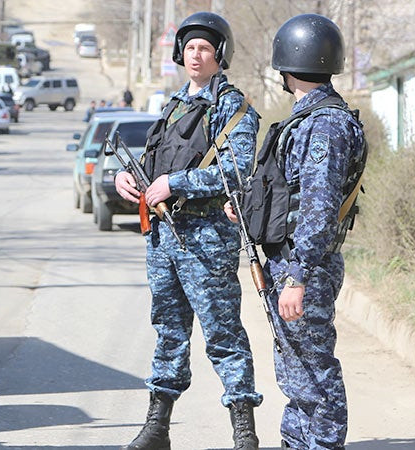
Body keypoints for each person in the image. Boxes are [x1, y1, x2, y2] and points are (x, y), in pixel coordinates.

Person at [114, 12, 262, 449]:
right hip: (163, 239)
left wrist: (174, 184)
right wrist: (131, 182)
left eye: (205, 48)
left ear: (220, 55)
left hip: (207, 241)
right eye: (190, 47)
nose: (196, 55)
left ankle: (244, 431)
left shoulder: (231, 106)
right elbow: (154, 167)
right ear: (180, 53)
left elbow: (234, 173)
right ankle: (158, 427)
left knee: (223, 334)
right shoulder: (173, 105)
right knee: (168, 331)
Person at [227, 14, 366, 450]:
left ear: (286, 65)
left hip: (305, 267)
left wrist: (298, 276)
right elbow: (289, 196)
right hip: (291, 262)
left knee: (314, 374)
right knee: (296, 373)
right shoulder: (306, 120)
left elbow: (319, 209)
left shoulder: (324, 124)